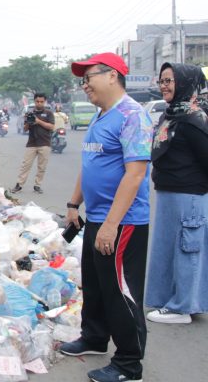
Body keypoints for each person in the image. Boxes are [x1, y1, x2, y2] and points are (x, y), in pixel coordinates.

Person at [59, 53, 153, 382]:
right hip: (98, 217)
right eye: (82, 80)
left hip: (123, 222)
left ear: (112, 75)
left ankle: (129, 364)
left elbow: (135, 176)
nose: (85, 85)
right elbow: (90, 167)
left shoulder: (133, 116)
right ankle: (95, 337)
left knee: (121, 292)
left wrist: (112, 224)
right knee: (96, 285)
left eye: (89, 78)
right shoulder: (101, 117)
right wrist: (74, 205)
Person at [145, 63, 208, 324]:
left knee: (187, 250)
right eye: (162, 80)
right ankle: (175, 300)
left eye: (170, 80)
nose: (164, 85)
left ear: (185, 83)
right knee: (169, 250)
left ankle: (181, 307)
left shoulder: (194, 119)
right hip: (170, 193)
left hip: (188, 196)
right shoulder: (172, 115)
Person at [10, 93, 55, 194]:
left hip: (45, 143)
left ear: (45, 102)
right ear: (34, 101)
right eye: (37, 101)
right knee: (25, 165)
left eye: (41, 102)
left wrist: (38, 121)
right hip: (31, 143)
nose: (39, 103)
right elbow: (25, 129)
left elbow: (51, 127)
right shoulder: (30, 113)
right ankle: (19, 185)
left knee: (42, 166)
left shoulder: (48, 113)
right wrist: (28, 122)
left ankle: (37, 185)